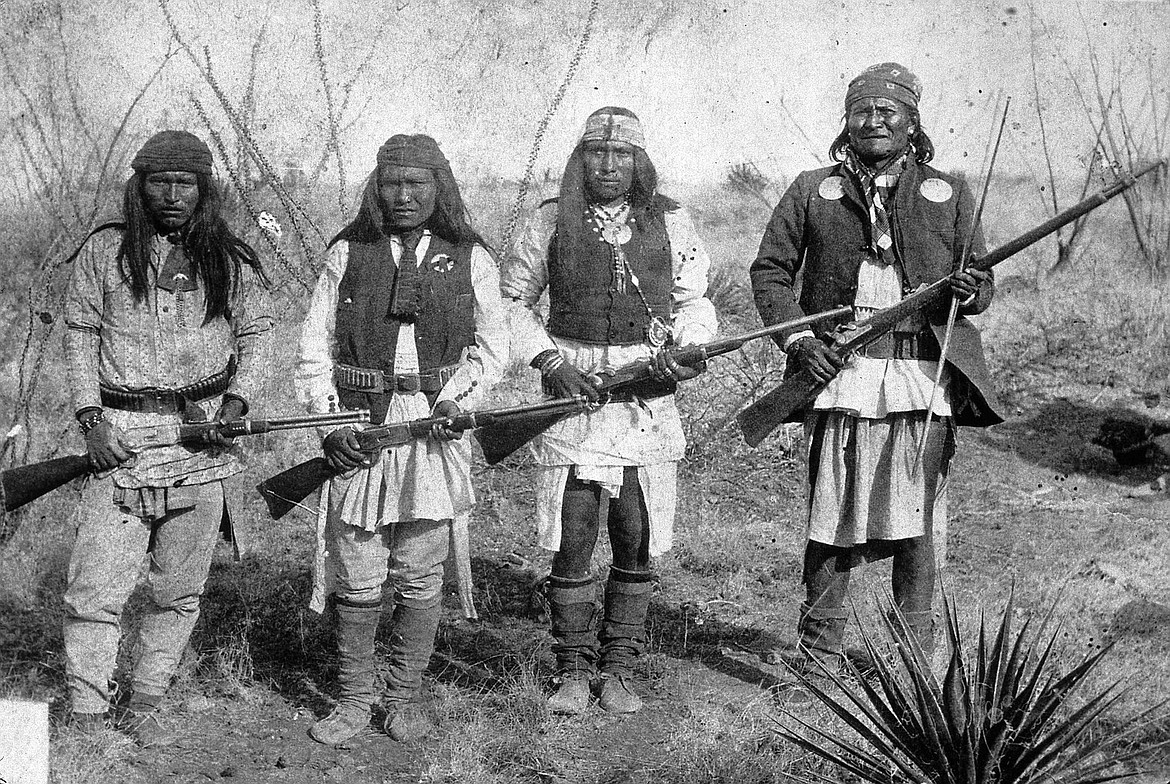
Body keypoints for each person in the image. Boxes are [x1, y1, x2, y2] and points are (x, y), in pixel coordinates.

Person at [750, 63, 1004, 687]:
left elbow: (981, 279)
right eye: (862, 110)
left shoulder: (948, 192)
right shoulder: (813, 190)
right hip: (841, 376)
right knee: (832, 516)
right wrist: (801, 340)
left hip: (922, 376)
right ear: (846, 121)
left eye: (888, 110)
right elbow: (770, 272)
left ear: (912, 121)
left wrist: (971, 291)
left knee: (918, 524)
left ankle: (915, 667)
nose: (875, 120)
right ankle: (818, 660)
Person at [62, 130, 275, 742]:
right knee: (95, 591)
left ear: (205, 189)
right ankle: (87, 709)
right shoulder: (104, 253)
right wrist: (90, 419)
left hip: (202, 445)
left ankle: (148, 697)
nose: (172, 195)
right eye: (160, 182)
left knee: (178, 590)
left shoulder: (229, 257)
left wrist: (237, 402)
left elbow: (258, 330)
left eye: (185, 183)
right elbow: (78, 334)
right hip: (120, 443)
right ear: (140, 185)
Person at [503, 107, 717, 715]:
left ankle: (619, 668)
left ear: (639, 160)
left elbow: (693, 300)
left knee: (633, 533)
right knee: (572, 535)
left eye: (621, 154)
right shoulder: (549, 219)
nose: (608, 164)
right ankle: (571, 667)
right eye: (596, 153)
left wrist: (685, 349)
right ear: (580, 157)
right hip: (572, 398)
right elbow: (511, 300)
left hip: (641, 396)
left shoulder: (672, 220)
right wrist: (549, 360)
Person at [295, 134, 507, 745]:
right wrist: (331, 423)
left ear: (439, 188)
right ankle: (353, 700)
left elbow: (495, 349)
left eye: (418, 183)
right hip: (360, 424)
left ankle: (403, 698)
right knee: (358, 565)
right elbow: (313, 346)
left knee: (420, 567)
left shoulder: (471, 256)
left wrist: (457, 401)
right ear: (376, 187)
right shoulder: (347, 252)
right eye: (393, 183)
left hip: (435, 427)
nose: (404, 195)